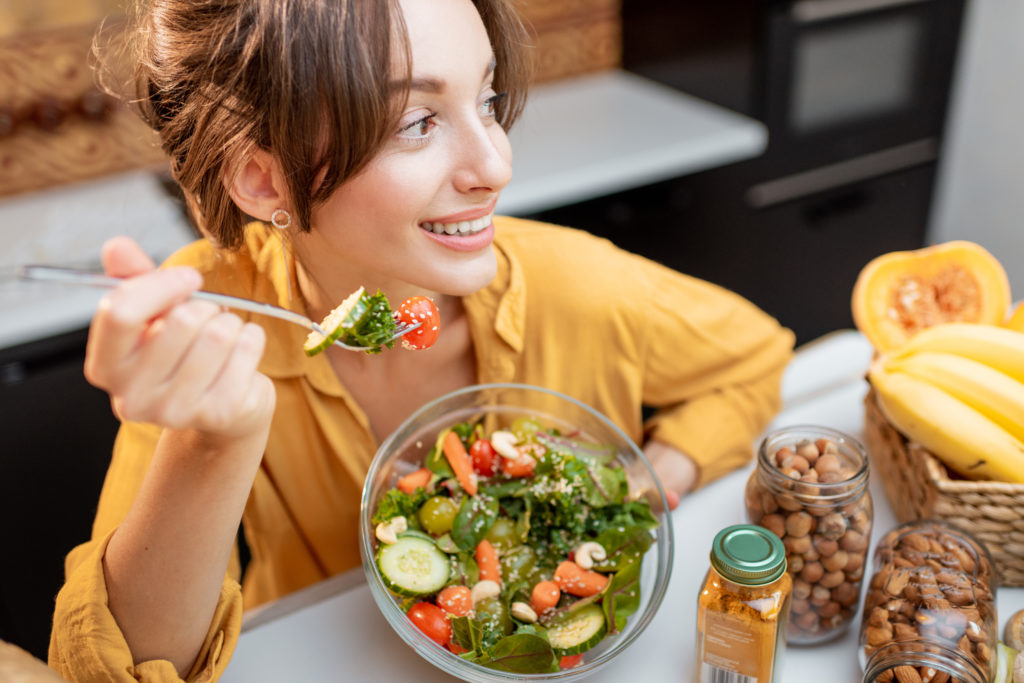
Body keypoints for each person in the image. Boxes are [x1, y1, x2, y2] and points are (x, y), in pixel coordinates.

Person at [49, 0, 795, 680]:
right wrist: (210, 441)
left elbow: (758, 358)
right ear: (264, 181)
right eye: (418, 123)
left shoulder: (579, 286)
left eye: (489, 100)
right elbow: (109, 667)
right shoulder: (216, 322)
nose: (496, 165)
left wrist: (653, 473)